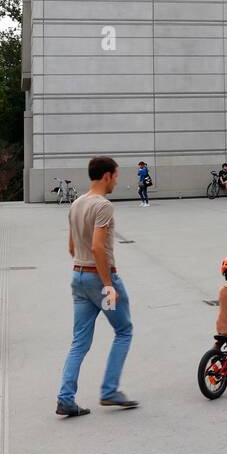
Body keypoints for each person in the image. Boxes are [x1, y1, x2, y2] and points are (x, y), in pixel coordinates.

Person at [56, 156, 138, 417]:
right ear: (106, 176)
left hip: (78, 278)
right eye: (115, 176)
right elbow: (97, 247)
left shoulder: (76, 204)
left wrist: (86, 272)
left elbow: (72, 247)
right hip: (100, 280)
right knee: (124, 331)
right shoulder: (103, 206)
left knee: (79, 342)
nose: (116, 180)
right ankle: (110, 390)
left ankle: (65, 398)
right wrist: (107, 285)